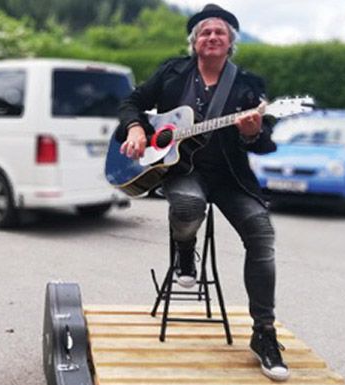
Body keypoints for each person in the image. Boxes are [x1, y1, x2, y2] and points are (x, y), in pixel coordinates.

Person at [116, 4, 289, 382]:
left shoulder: (248, 85)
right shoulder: (171, 71)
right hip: (181, 170)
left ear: (230, 43)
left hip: (230, 178)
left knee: (261, 232)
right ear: (195, 42)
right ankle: (184, 252)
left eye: (220, 32)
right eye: (205, 32)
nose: (212, 37)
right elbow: (131, 102)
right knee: (189, 203)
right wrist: (134, 127)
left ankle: (264, 332)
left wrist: (251, 132)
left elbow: (263, 144)